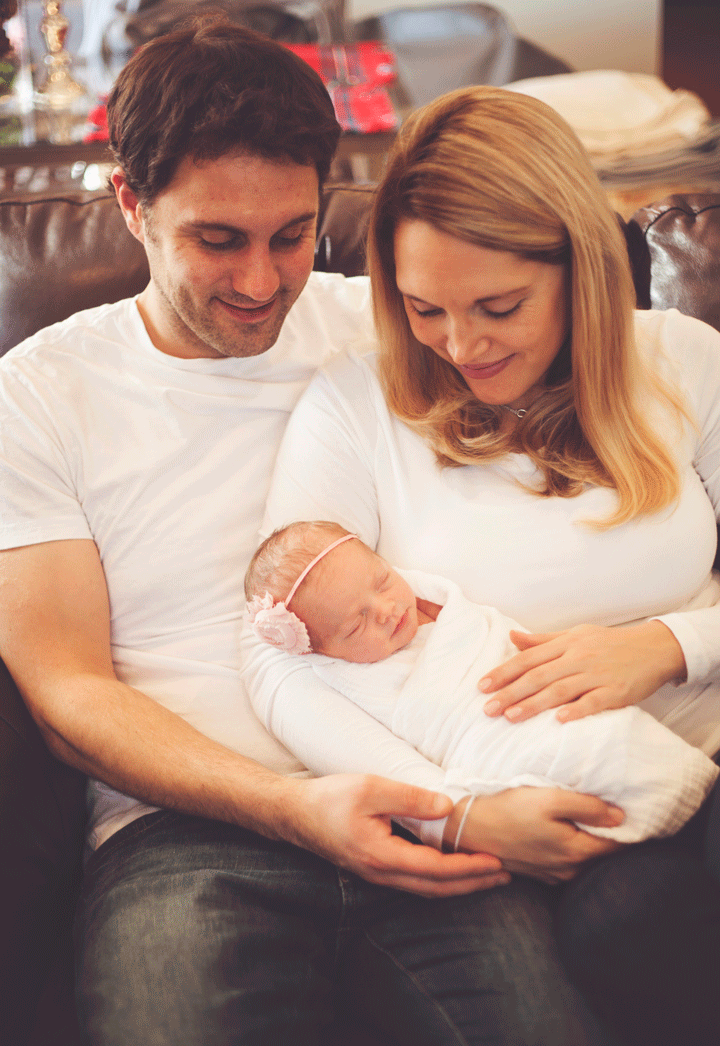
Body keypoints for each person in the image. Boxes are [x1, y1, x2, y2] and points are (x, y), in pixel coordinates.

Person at [0, 20, 626, 1046]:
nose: (260, 282)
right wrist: (295, 807)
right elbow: (68, 693)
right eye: (218, 240)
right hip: (187, 838)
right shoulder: (40, 394)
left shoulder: (401, 323)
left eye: (292, 235)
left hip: (433, 800)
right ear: (129, 203)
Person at [241, 84, 720, 1046]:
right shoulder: (358, 408)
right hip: (510, 803)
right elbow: (279, 658)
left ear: (578, 269)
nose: (461, 347)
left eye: (499, 306)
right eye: (425, 309)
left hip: (701, 769)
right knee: (622, 931)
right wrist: (451, 815)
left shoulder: (684, 362)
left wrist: (671, 644)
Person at [244, 520, 718, 846]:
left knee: (625, 748)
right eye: (355, 624)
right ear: (323, 652)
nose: (387, 609)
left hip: (593, 705)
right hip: (496, 750)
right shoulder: (345, 682)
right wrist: (457, 815)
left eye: (383, 581)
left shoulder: (442, 609)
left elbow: (491, 636)